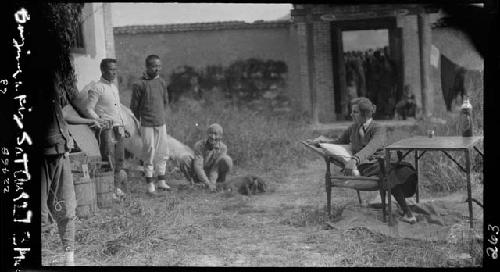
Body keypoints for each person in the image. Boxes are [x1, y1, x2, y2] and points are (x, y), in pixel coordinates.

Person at [310, 97, 417, 224]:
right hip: (367, 167)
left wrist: (354, 159)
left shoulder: (378, 128)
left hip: (381, 162)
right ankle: (407, 212)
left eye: (355, 112)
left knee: (399, 171)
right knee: (390, 173)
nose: (351, 114)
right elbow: (339, 141)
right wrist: (322, 141)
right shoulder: (353, 128)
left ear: (365, 114)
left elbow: (372, 147)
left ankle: (406, 212)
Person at [40, 81, 78, 266]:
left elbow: (60, 113)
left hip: (60, 151)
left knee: (66, 207)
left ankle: (69, 260)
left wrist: (67, 138)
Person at [83, 58, 127, 198]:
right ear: (103, 70)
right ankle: (108, 191)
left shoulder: (114, 87)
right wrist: (99, 120)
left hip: (118, 128)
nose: (114, 72)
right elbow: (89, 109)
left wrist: (122, 125)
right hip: (106, 129)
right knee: (108, 158)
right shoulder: (97, 87)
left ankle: (117, 188)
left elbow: (117, 110)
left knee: (119, 158)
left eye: (115, 69)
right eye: (111, 69)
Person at [130, 55, 171, 196]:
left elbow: (165, 101)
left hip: (160, 122)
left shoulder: (162, 82)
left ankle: (161, 181)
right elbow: (134, 107)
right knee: (149, 152)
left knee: (163, 152)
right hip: (146, 124)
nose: (157, 68)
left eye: (159, 66)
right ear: (147, 67)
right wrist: (138, 123)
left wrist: (159, 116)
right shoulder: (139, 84)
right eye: (154, 66)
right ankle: (150, 185)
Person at [179, 123, 233, 192]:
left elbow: (215, 168)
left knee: (227, 160)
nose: (213, 137)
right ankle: (194, 183)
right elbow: (198, 166)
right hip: (200, 175)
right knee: (185, 159)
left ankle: (220, 184)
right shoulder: (199, 145)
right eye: (211, 133)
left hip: (215, 176)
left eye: (215, 134)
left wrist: (212, 183)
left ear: (220, 136)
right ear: (207, 134)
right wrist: (206, 182)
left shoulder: (223, 148)